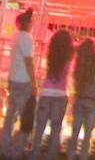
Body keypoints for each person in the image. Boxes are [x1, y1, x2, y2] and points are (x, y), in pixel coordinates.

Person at [29, 28, 75, 160]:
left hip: (46, 92)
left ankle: (34, 153)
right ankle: (51, 155)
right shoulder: (69, 55)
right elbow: (79, 47)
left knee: (40, 127)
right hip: (60, 94)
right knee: (56, 128)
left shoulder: (51, 54)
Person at [0, 7, 36, 160]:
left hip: (13, 79)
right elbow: (29, 62)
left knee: (10, 117)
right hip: (23, 81)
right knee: (26, 117)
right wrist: (34, 83)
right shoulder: (27, 38)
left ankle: (4, 149)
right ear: (28, 22)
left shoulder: (15, 37)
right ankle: (18, 150)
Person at [67, 38, 95, 160]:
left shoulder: (80, 60)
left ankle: (70, 155)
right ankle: (83, 156)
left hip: (79, 97)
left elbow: (75, 76)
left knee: (75, 131)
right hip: (92, 98)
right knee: (87, 133)